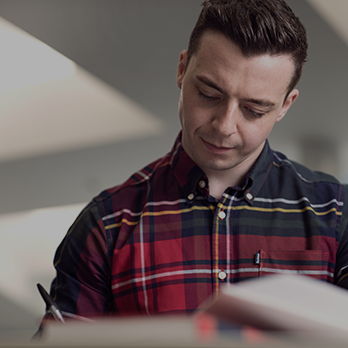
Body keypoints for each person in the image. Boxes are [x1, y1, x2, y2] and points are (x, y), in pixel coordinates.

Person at [48, 0, 348, 320]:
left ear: (286, 105)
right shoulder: (106, 225)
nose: (224, 126)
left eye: (254, 110)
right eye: (209, 94)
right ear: (182, 69)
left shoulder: (336, 213)